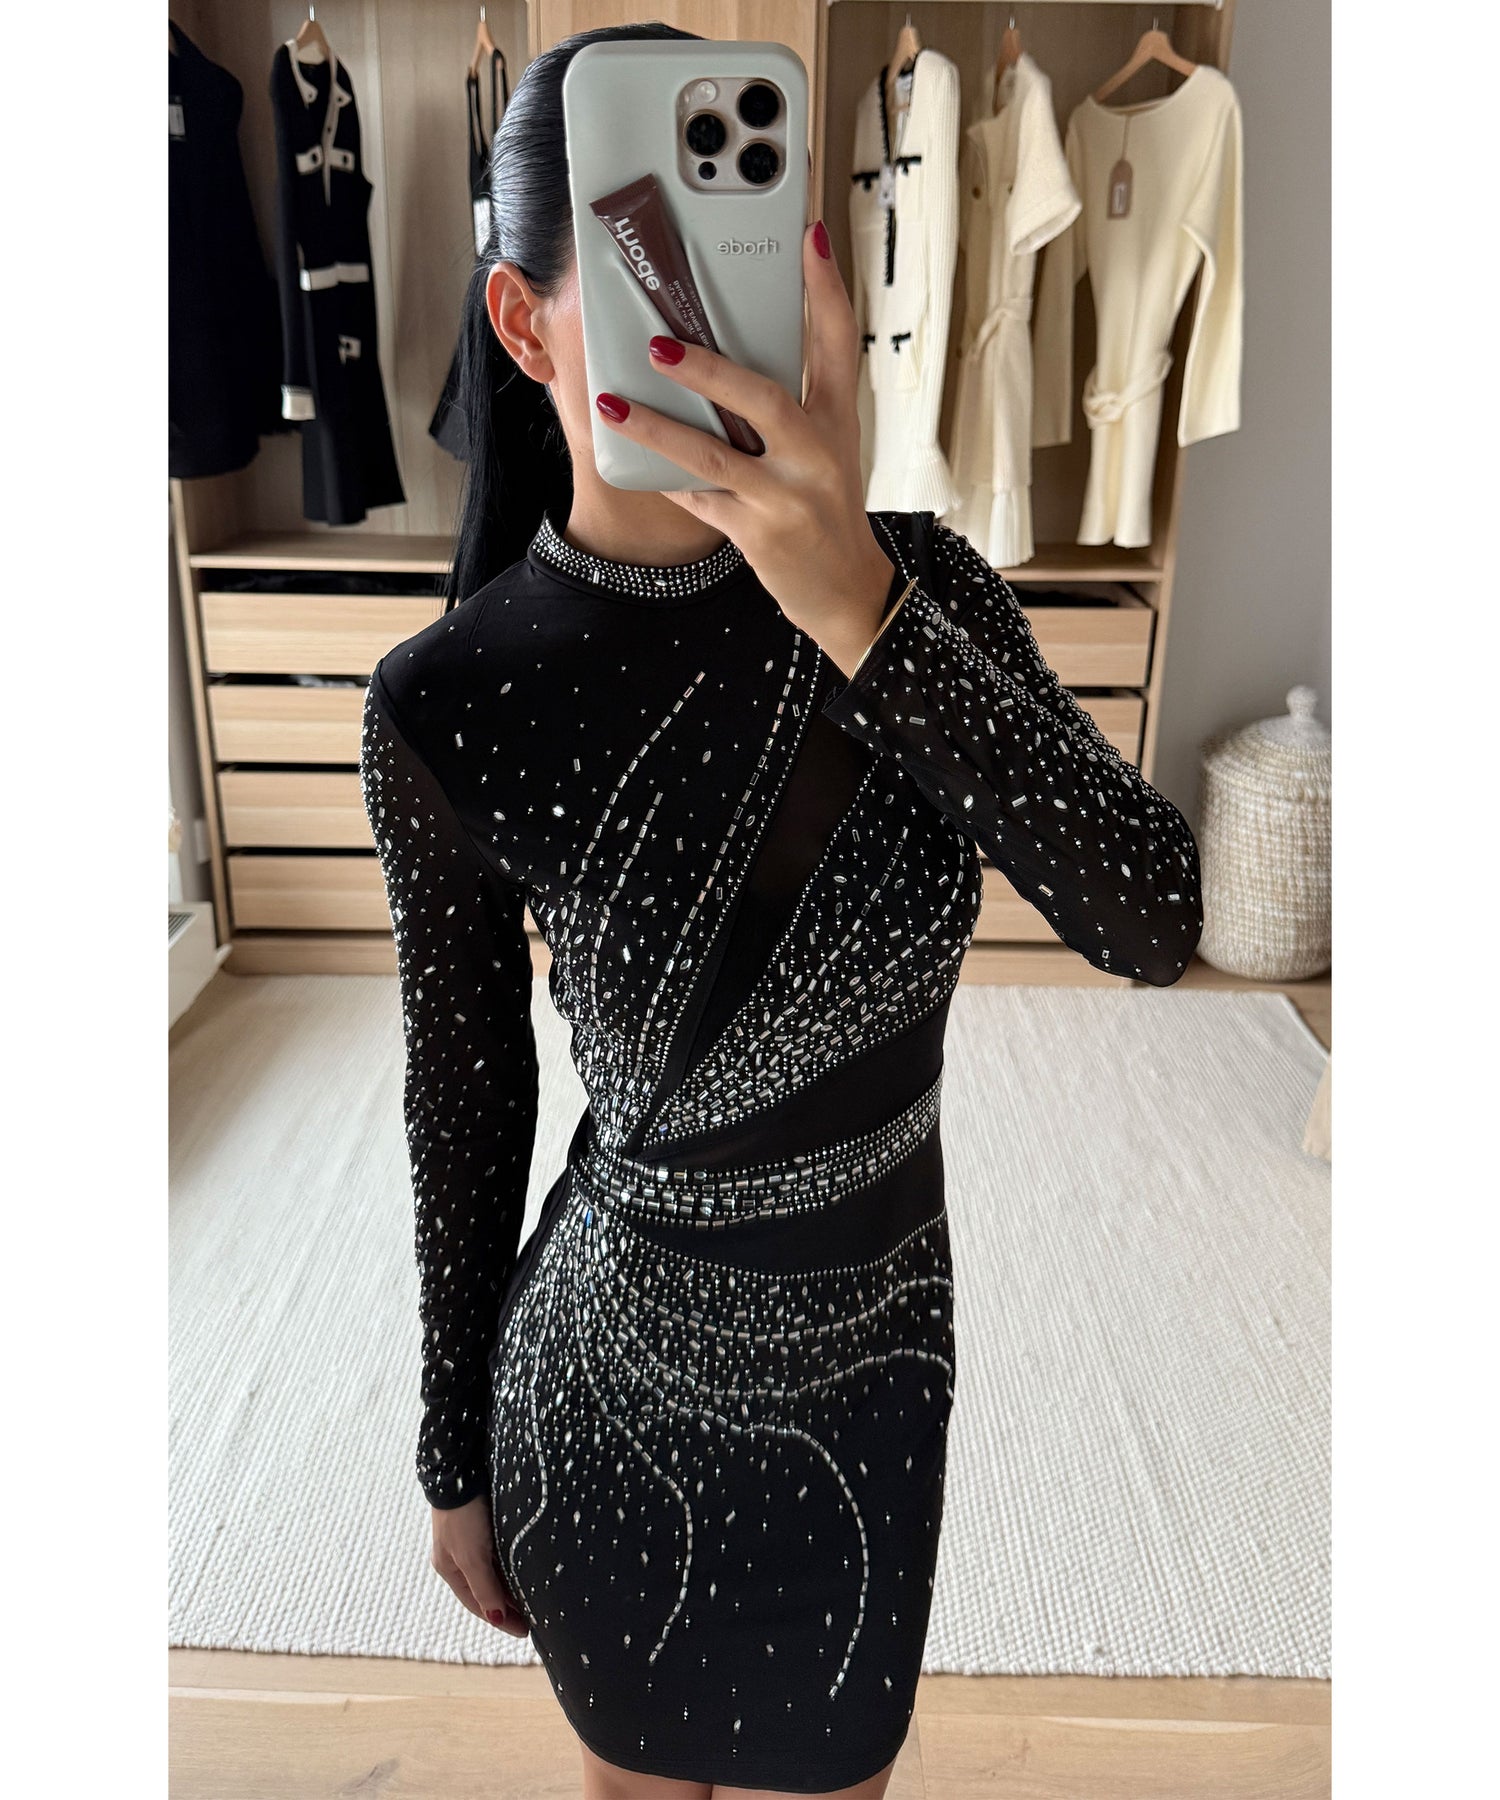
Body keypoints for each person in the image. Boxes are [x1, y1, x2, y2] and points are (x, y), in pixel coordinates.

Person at [359, 21, 1203, 1800]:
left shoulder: (930, 592)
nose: (706, 312)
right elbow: (466, 1097)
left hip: (874, 1388)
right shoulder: (447, 697)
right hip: (603, 1392)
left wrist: (863, 609)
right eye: (643, 266)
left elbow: (1152, 919)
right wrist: (452, 1450)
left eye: (738, 252)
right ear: (525, 324)